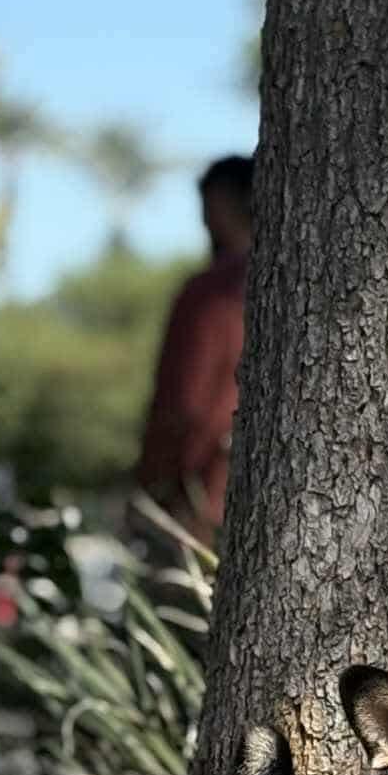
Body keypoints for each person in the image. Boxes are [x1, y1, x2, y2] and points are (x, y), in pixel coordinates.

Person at [134, 154, 253, 542]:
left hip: (197, 507)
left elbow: (183, 402)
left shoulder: (210, 293)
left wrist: (151, 487)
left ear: (219, 206)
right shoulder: (299, 287)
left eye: (206, 211)